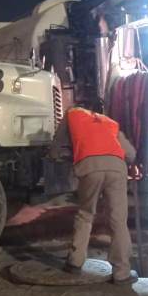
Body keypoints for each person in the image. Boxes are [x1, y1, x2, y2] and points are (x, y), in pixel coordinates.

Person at [50, 106, 138, 284]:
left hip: (89, 167)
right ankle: (122, 273)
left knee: (86, 214)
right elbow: (131, 154)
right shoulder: (109, 123)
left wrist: (58, 156)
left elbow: (56, 146)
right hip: (116, 167)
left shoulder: (72, 115)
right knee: (118, 220)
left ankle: (75, 262)